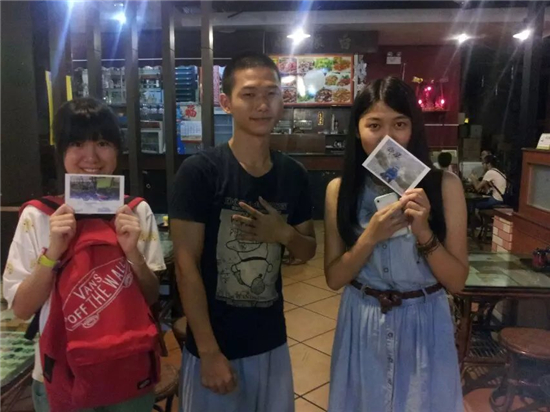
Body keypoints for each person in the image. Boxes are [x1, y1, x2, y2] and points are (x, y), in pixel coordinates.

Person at [170, 52, 316, 412]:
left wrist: (282, 234)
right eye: (249, 94)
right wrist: (208, 352)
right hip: (215, 345)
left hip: (270, 340)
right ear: (226, 103)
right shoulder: (200, 172)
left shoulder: (293, 175)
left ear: (282, 99)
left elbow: (308, 251)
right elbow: (186, 266)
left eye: (271, 93)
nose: (262, 105)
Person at [2, 98, 166, 412]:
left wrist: (132, 252)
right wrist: (53, 252)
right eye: (77, 143)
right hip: (59, 371)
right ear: (61, 151)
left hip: (127, 368)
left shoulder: (136, 211)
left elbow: (150, 296)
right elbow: (22, 309)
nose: (91, 157)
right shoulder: (38, 216)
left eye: (103, 143)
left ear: (116, 151)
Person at [324, 77, 467, 412]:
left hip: (425, 323)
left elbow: (457, 281)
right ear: (357, 130)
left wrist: (424, 231)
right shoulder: (339, 190)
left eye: (399, 124)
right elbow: (334, 278)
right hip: (363, 320)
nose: (387, 137)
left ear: (413, 128)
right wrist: (370, 236)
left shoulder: (445, 186)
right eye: (374, 125)